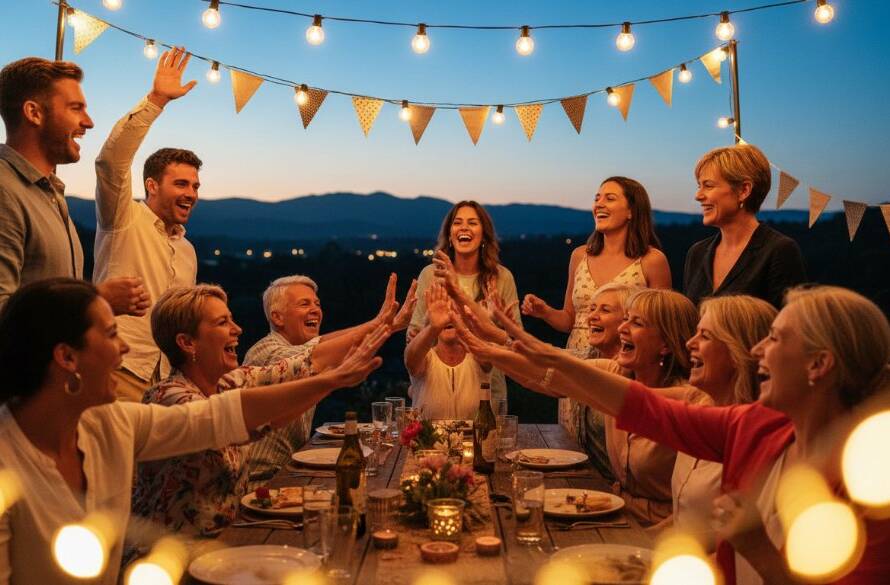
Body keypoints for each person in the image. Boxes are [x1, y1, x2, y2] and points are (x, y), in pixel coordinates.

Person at [463, 286, 890, 584]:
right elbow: (649, 410)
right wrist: (546, 355)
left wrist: (758, 550)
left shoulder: (870, 490)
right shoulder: (756, 426)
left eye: (775, 339)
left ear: (819, 365)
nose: (758, 350)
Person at [0, 278, 385, 584]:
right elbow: (215, 417)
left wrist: (333, 377)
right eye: (112, 334)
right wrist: (331, 380)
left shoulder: (107, 424)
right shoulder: (8, 465)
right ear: (67, 357)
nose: (125, 349)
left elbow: (223, 413)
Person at [131, 284, 391, 537]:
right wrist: (332, 380)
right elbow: (239, 412)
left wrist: (378, 330)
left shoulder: (229, 382)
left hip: (229, 539)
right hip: (168, 555)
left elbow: (306, 365)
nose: (237, 329)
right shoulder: (167, 397)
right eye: (222, 323)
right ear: (187, 342)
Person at [520, 177, 670, 439]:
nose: (598, 204)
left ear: (632, 210)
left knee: (614, 440)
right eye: (597, 198)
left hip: (622, 367)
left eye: (609, 198)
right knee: (573, 443)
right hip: (577, 364)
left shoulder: (652, 260)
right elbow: (569, 320)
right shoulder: (580, 255)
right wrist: (545, 312)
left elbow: (664, 327)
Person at [93, 47, 203, 401]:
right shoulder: (122, 218)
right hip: (118, 369)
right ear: (152, 186)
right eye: (181, 184)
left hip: (169, 381)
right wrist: (157, 100)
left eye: (195, 186)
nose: (191, 194)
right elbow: (111, 163)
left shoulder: (188, 252)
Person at [0, 57, 147, 314]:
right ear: (34, 113)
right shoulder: (4, 190)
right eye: (76, 108)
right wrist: (95, 300)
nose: (88, 122)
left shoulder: (50, 193)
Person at [243, 272, 416, 483]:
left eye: (317, 303)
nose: (315, 309)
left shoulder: (302, 349)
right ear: (277, 317)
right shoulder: (266, 352)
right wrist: (381, 324)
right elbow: (315, 354)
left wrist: (387, 326)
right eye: (304, 304)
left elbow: (321, 346)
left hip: (290, 472)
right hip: (261, 482)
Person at [408, 200, 521, 406]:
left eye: (472, 223)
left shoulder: (501, 278)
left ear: (484, 235)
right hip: (435, 391)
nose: (464, 228)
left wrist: (489, 334)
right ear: (450, 235)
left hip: (488, 392)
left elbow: (516, 341)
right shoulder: (431, 275)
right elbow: (414, 337)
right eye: (458, 222)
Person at [684, 144, 806, 309]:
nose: (698, 195)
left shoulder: (779, 250)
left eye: (709, 185)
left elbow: (791, 321)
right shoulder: (696, 253)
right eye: (699, 186)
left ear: (744, 190)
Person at [577, 283, 638, 482]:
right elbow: (550, 361)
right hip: (592, 483)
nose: (592, 316)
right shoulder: (591, 355)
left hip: (622, 490)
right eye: (592, 308)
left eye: (605, 310)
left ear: (626, 321)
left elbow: (554, 366)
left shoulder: (636, 373)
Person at [406, 283, 491, 420]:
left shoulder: (477, 357)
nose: (448, 317)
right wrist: (433, 327)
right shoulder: (426, 358)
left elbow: (488, 356)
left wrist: (466, 331)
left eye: (455, 311)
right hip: (427, 435)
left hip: (476, 434)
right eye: (442, 311)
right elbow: (410, 361)